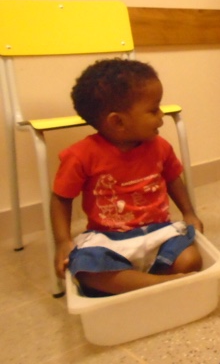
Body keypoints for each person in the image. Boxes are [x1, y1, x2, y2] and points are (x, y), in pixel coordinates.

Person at [50, 58, 204, 296]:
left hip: (158, 232)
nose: (162, 114)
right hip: (108, 239)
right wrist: (62, 241)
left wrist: (189, 213)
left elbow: (173, 178)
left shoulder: (160, 146)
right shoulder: (80, 156)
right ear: (118, 122)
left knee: (191, 259)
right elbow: (61, 198)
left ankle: (135, 284)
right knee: (84, 269)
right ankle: (157, 284)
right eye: (153, 109)